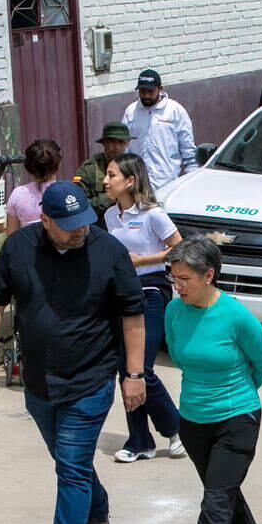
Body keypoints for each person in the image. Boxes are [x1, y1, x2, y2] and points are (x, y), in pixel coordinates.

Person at [0, 183, 146, 524]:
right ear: (45, 221)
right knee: (71, 462)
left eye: (84, 222)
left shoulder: (109, 252)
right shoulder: (19, 248)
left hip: (90, 379)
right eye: (68, 226)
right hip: (38, 383)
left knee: (70, 467)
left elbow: (132, 314)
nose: (79, 231)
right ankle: (97, 515)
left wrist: (135, 374)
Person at [163, 237, 262, 524]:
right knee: (223, 494)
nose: (177, 286)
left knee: (214, 503)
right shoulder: (174, 312)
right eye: (174, 277)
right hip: (193, 422)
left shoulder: (236, 316)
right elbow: (179, 356)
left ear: (209, 276)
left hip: (237, 420)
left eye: (185, 278)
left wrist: (234, 399)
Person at [102, 153, 186, 462]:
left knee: (142, 368)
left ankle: (176, 428)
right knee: (125, 369)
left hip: (151, 291)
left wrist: (142, 261)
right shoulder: (111, 216)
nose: (106, 181)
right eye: (107, 175)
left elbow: (180, 247)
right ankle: (139, 440)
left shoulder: (153, 214)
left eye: (112, 175)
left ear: (130, 181)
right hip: (122, 294)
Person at [122, 69, 197, 193]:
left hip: (167, 184)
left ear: (160, 88)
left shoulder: (175, 111)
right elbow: (124, 148)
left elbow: (188, 150)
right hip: (136, 184)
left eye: (150, 91)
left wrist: (192, 180)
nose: (146, 96)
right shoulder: (131, 111)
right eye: (142, 91)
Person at [73, 123, 131, 224]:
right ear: (104, 143)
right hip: (99, 227)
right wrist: (108, 198)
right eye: (112, 142)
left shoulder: (133, 166)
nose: (117, 147)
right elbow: (77, 205)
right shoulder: (89, 170)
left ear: (127, 144)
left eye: (121, 142)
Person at [5, 138, 60, 233]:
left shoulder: (18, 194)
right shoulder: (66, 193)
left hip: (27, 247)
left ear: (29, 167)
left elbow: (11, 237)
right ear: (57, 167)